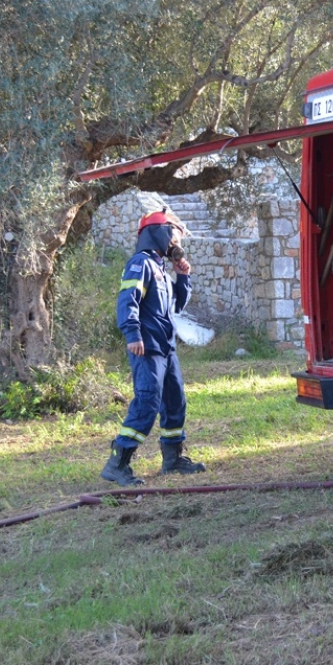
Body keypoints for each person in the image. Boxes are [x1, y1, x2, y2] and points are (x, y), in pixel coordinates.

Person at [101, 208, 207, 486]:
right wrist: (132, 333)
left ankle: (173, 459)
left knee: (175, 401)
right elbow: (128, 299)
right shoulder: (141, 264)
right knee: (147, 401)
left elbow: (176, 306)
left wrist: (182, 277)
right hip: (146, 347)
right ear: (159, 233)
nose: (176, 244)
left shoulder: (160, 268)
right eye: (174, 237)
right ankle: (118, 463)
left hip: (166, 348)